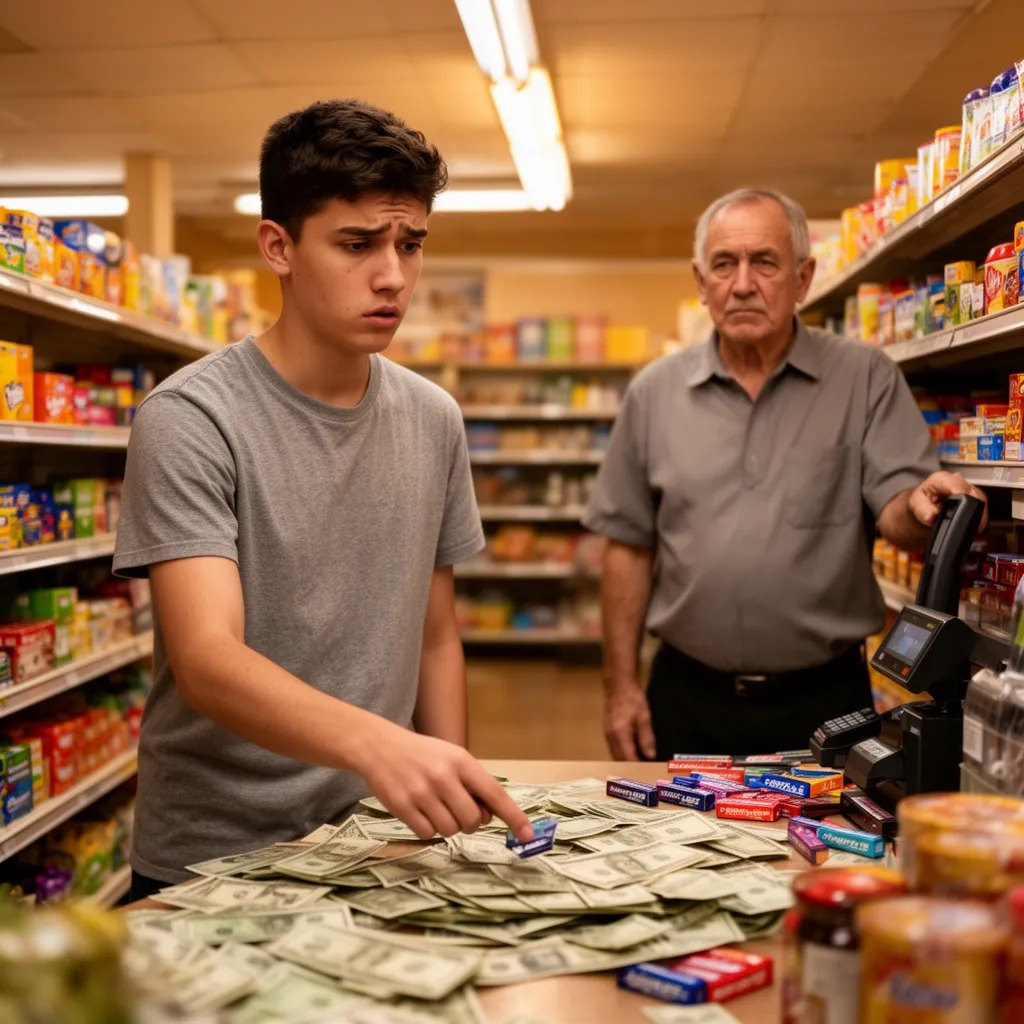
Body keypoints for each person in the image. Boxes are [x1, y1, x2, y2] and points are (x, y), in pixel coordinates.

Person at [113, 98, 532, 899]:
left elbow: (434, 636)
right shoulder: (192, 417)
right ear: (278, 246)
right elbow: (207, 660)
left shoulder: (434, 418)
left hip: (379, 840)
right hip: (214, 859)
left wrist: (450, 795)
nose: (394, 276)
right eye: (357, 244)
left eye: (411, 244)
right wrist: (382, 744)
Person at [583, 187, 986, 761]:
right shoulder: (654, 392)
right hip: (685, 697)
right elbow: (626, 546)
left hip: (825, 702)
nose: (743, 284)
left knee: (825, 826)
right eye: (724, 264)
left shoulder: (864, 378)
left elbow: (899, 509)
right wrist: (619, 686)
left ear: (803, 278)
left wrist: (927, 505)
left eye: (765, 262)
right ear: (701, 281)